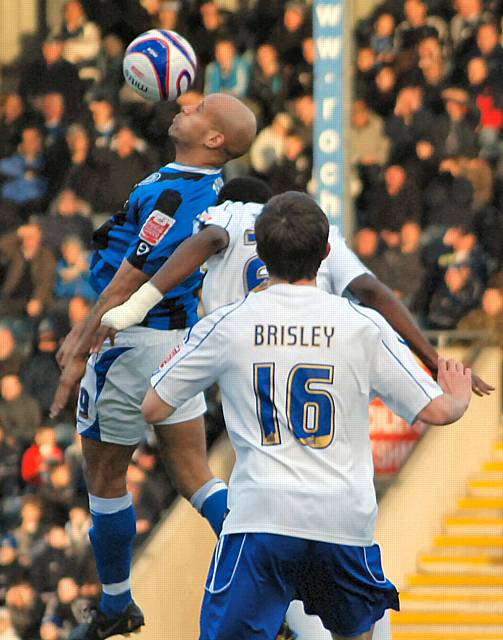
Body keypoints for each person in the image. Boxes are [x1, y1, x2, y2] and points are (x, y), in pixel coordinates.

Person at [99, 177, 490, 639]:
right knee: (358, 632)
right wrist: (459, 393)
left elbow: (154, 407)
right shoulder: (362, 325)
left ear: (260, 256)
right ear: (326, 254)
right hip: (343, 520)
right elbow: (439, 412)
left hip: (260, 518)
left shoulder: (229, 323)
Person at [50, 93, 257, 640]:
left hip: (132, 341)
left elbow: (130, 278)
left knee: (104, 474)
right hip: (176, 341)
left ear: (214, 140)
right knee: (194, 473)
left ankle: (117, 604)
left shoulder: (178, 193)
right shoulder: (199, 183)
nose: (186, 105)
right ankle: (270, 583)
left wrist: (81, 337)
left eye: (199, 108)